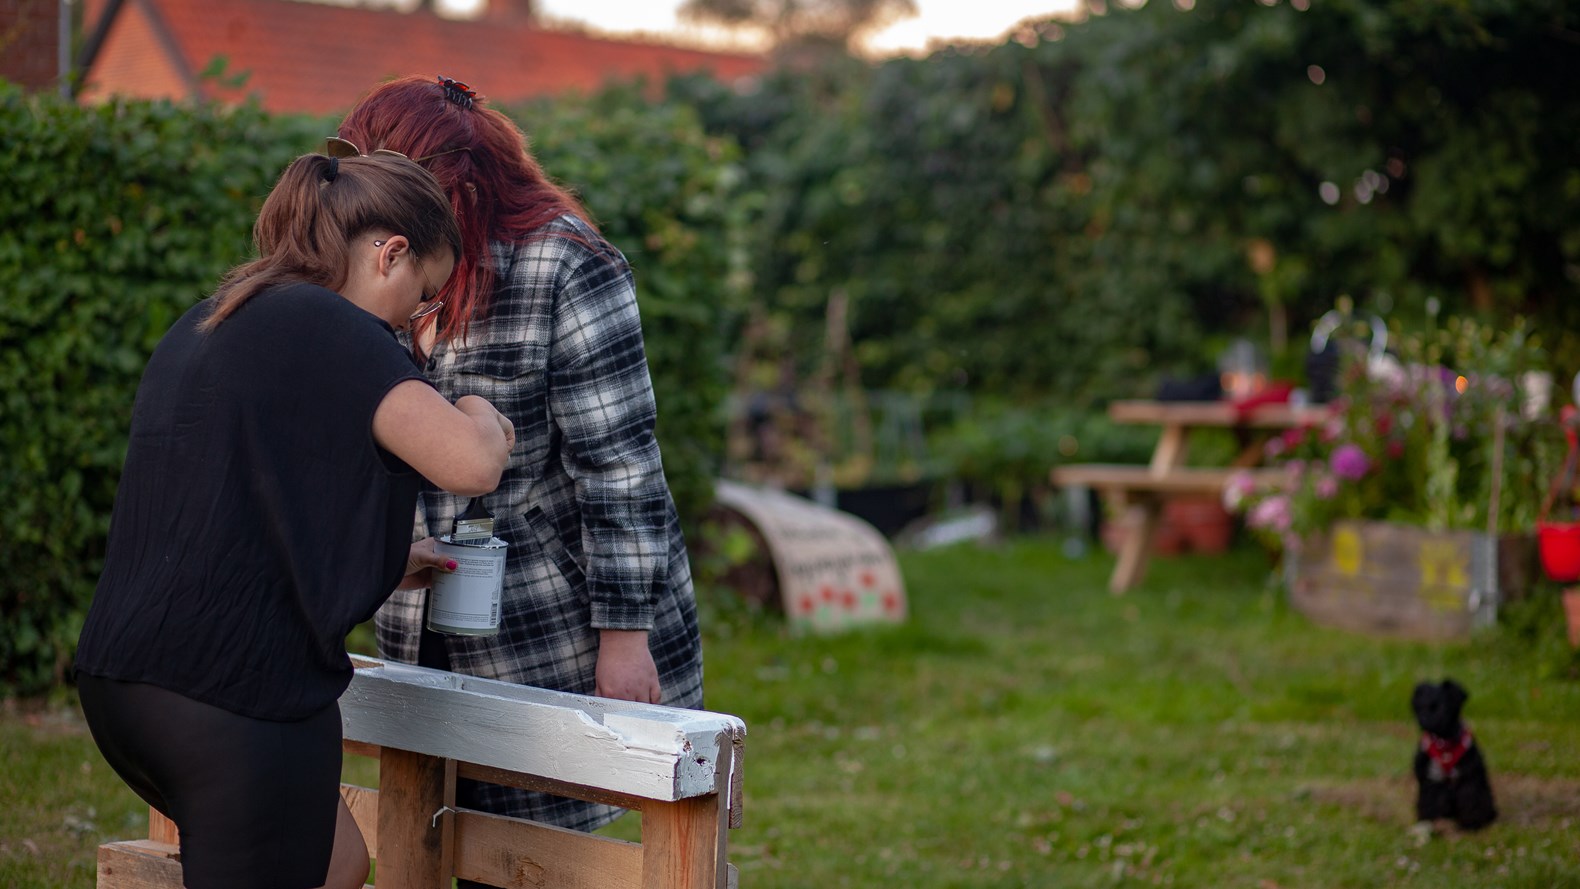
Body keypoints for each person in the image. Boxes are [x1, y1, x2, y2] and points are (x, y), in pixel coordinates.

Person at [73, 151, 516, 889]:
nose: (418, 321)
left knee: (340, 862)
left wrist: (386, 556)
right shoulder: (336, 327)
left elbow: (240, 501)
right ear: (390, 253)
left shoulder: (221, 315)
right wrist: (481, 412)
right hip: (232, 701)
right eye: (425, 295)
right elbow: (471, 464)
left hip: (125, 681)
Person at [337, 74, 704, 837]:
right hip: (419, 618)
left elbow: (621, 468)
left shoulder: (566, 265)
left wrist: (625, 639)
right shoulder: (376, 266)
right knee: (431, 834)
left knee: (534, 851)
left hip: (551, 620)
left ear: (457, 190)